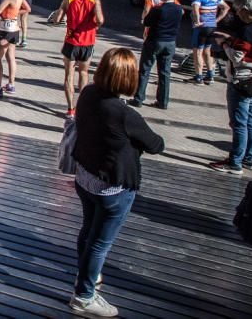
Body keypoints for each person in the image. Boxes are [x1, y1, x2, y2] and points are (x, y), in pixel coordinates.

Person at [70, 48, 164, 317]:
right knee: (100, 242)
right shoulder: (124, 114)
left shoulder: (88, 93)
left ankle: (88, 273)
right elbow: (156, 144)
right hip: (113, 186)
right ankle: (84, 296)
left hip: (85, 177)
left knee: (88, 231)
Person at [209, 0, 252, 175]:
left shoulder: (247, 31)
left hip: (240, 80)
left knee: (239, 123)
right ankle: (248, 158)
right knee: (251, 121)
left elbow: (237, 57)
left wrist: (224, 44)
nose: (237, 14)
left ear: (246, 11)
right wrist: (232, 40)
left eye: (239, 11)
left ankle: (235, 162)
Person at [54, 0, 105, 117]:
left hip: (71, 42)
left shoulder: (68, 0)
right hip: (87, 42)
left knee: (69, 75)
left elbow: (57, 19)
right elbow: (100, 19)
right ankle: (82, 107)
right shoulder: (94, 1)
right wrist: (94, 25)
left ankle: (71, 109)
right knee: (84, 73)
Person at [130, 0, 183, 109]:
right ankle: (163, 102)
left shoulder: (158, 9)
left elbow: (147, 21)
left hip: (155, 41)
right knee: (165, 72)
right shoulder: (179, 9)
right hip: (170, 42)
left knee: (145, 70)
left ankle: (139, 99)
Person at [191, 0, 229, 86]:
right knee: (207, 50)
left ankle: (199, 78)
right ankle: (210, 75)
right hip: (212, 26)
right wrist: (216, 20)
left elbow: (195, 9)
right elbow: (226, 7)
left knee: (197, 52)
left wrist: (198, 21)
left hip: (201, 27)